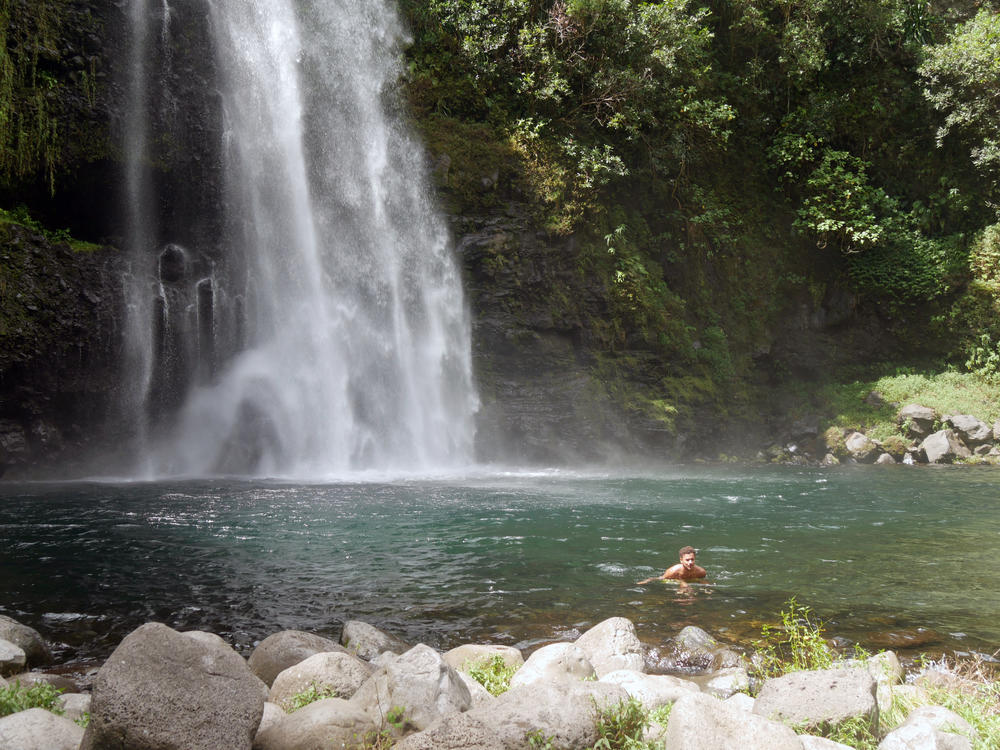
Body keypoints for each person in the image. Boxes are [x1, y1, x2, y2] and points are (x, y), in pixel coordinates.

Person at [636, 545, 706, 584]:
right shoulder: (673, 571)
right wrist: (647, 581)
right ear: (681, 560)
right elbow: (661, 579)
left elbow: (701, 581)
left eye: (692, 559)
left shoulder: (701, 572)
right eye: (687, 560)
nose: (690, 562)